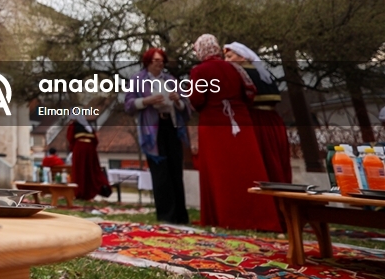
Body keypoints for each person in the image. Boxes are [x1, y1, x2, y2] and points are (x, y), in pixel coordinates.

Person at [188, 34, 279, 232]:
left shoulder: (199, 71)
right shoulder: (236, 68)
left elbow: (196, 99)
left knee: (219, 172)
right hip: (241, 121)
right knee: (248, 168)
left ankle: (222, 216)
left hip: (214, 123)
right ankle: (259, 216)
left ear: (201, 51)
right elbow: (250, 92)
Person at [124, 48, 191, 224]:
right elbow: (129, 105)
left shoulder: (170, 80)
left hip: (172, 127)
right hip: (152, 131)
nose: (159, 64)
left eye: (162, 61)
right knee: (161, 174)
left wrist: (177, 100)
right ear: (148, 62)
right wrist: (147, 101)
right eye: (156, 61)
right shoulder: (138, 80)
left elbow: (186, 106)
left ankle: (181, 216)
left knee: (176, 171)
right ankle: (166, 216)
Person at [224, 42, 292, 184]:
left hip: (255, 122)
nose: (226, 61)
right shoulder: (265, 74)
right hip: (274, 123)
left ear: (242, 57)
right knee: (277, 161)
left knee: (264, 163)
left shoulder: (239, 75)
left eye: (230, 56)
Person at [67, 111, 112, 201]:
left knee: (80, 171)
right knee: (91, 170)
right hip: (91, 151)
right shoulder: (89, 127)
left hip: (79, 149)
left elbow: (70, 138)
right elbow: (95, 141)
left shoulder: (73, 126)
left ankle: (80, 192)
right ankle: (91, 191)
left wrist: (73, 148)